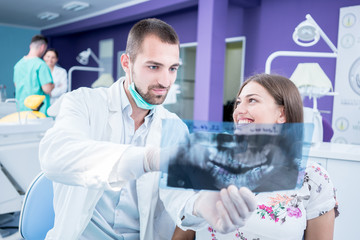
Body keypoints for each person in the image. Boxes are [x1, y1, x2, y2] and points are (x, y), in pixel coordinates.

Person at [39, 18, 256, 240]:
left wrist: (200, 206)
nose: (165, 81)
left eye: (172, 68)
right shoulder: (84, 102)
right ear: (126, 63)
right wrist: (149, 159)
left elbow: (177, 199)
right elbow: (55, 156)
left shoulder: (175, 128)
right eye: (153, 66)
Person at [193, 73, 339, 239]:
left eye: (252, 100)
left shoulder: (312, 177)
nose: (238, 111)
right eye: (238, 102)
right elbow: (183, 234)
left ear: (282, 114)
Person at [13, 35, 54, 116]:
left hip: (21, 111)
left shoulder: (18, 65)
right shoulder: (41, 65)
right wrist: (53, 85)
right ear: (43, 47)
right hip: (38, 112)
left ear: (30, 46)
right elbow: (47, 89)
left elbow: (16, 85)